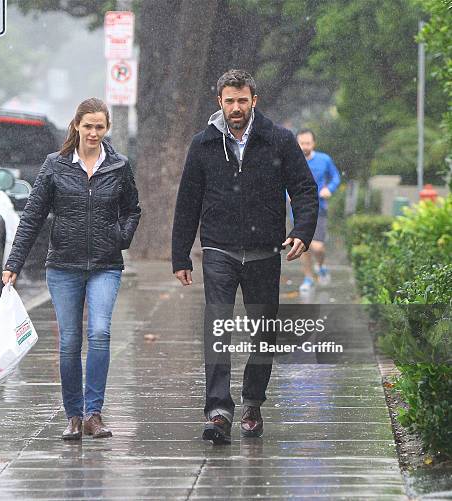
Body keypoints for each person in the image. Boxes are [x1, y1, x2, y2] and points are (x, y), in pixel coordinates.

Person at [171, 69, 318, 444]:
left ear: (255, 100)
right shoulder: (203, 144)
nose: (236, 107)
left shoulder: (279, 140)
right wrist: (181, 255)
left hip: (265, 250)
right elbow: (187, 201)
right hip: (218, 248)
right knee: (218, 329)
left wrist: (301, 231)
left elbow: (304, 189)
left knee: (262, 334)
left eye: (242, 100)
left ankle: (252, 403)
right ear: (219, 101)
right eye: (229, 100)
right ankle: (218, 411)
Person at [2, 98, 141, 441]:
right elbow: (32, 216)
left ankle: (94, 413)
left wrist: (121, 237)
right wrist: (13, 264)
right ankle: (74, 415)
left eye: (99, 127)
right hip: (63, 265)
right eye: (88, 126)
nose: (93, 133)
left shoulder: (119, 166)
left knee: (99, 333)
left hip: (105, 265)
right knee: (69, 341)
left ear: (106, 128)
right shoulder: (56, 165)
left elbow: (132, 209)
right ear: (76, 126)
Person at [295, 129, 341, 293]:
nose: (305, 146)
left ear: (313, 143)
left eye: (308, 143)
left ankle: (321, 265)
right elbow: (284, 181)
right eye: (302, 143)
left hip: (319, 208)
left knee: (318, 247)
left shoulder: (324, 159)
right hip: (299, 210)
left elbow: (336, 177)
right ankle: (308, 278)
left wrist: (330, 188)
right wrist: (288, 195)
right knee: (302, 246)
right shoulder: (292, 161)